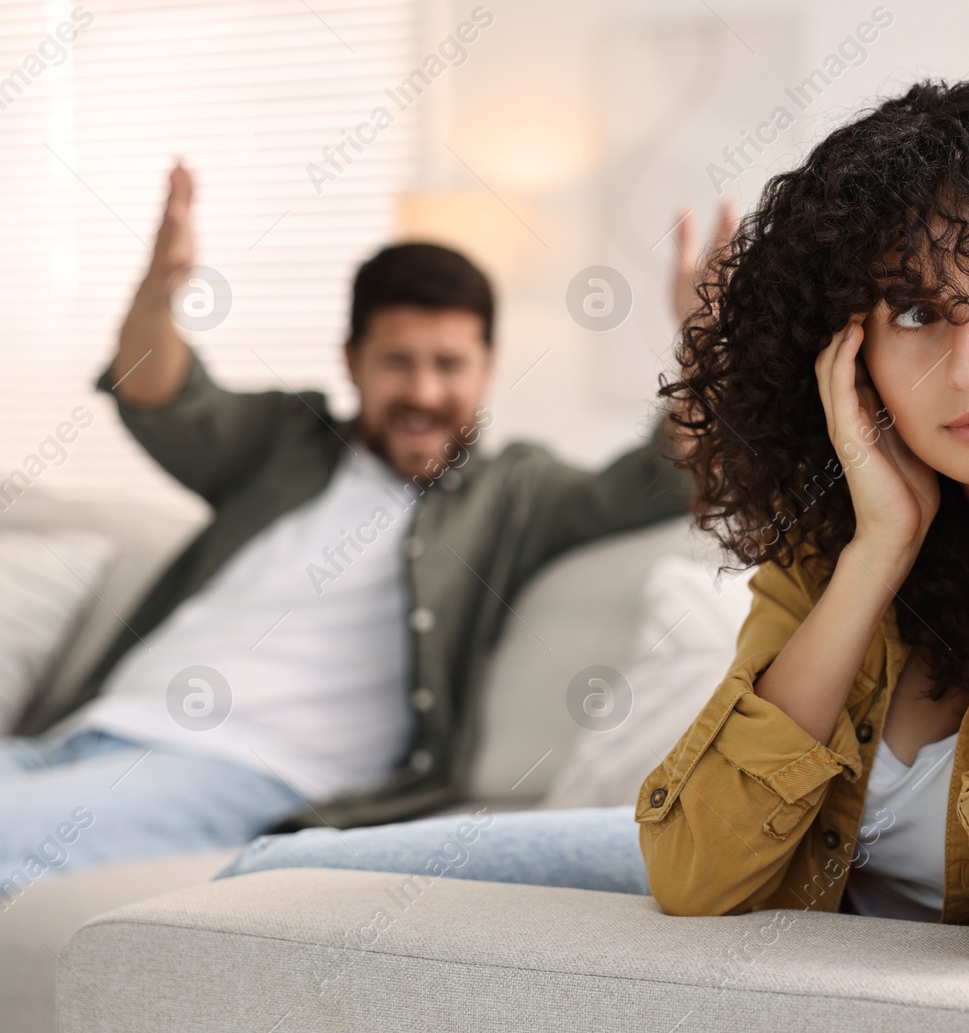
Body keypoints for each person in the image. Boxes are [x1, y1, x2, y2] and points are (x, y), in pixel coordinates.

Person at [215, 74, 969, 967]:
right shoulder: (842, 529)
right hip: (764, 886)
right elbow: (698, 872)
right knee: (267, 881)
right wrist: (876, 551)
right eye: (914, 309)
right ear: (851, 350)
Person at [0, 159, 703, 903]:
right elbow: (157, 388)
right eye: (398, 362)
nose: (425, 392)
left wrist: (702, 348)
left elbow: (657, 478)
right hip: (83, 736)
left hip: (244, 768)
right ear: (352, 362)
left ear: (489, 366)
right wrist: (159, 289)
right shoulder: (285, 438)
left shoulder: (514, 492)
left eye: (449, 363)